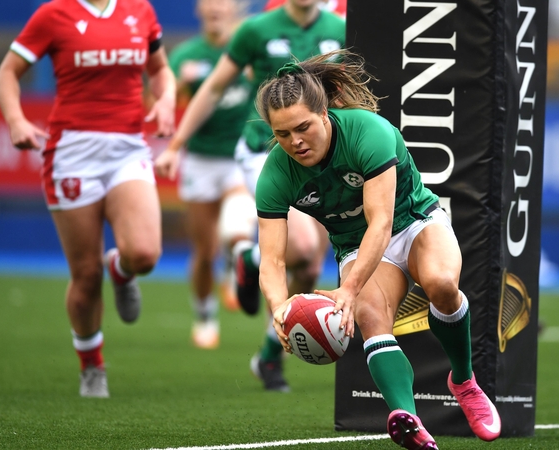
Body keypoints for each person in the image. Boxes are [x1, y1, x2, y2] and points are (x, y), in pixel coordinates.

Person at [256, 50, 501, 449]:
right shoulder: (276, 173)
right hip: (356, 243)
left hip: (413, 221)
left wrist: (347, 289)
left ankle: (464, 380)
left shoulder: (368, 132)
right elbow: (272, 259)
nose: (295, 142)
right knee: (371, 316)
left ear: (323, 114)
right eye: (282, 134)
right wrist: (279, 308)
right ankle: (409, 420)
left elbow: (382, 223)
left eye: (302, 127)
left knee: (441, 284)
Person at [157, 0, 344, 391]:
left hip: (324, 153)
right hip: (267, 149)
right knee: (304, 245)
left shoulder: (340, 28)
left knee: (310, 269)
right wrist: (176, 144)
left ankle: (269, 355)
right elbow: (213, 88)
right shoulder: (256, 29)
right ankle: (252, 260)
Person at [0, 0, 175, 398]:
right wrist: (16, 119)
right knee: (86, 274)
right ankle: (92, 365)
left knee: (144, 254)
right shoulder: (53, 14)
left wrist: (164, 99)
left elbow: (160, 70)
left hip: (127, 148)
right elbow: (7, 73)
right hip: (72, 153)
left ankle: (122, 270)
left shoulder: (139, 10)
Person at [159, 0, 256, 350]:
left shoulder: (246, 46)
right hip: (200, 160)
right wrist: (181, 87)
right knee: (204, 250)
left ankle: (236, 264)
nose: (216, 9)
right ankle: (204, 314)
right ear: (198, 10)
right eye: (209, 4)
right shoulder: (186, 55)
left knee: (235, 227)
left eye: (223, 4)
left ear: (234, 10)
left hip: (239, 155)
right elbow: (160, 101)